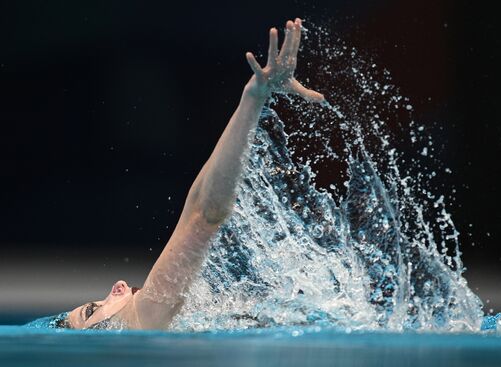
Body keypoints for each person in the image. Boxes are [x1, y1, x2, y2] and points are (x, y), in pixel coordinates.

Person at [56, 18, 324, 330]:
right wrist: (253, 98)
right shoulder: (144, 315)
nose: (116, 286)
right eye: (92, 310)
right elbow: (203, 215)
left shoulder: (158, 327)